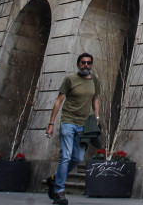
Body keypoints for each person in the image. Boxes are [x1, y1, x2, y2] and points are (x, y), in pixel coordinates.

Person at [46, 53, 100, 205]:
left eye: (89, 63)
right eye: (83, 62)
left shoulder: (94, 80)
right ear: (78, 64)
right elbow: (58, 101)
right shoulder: (70, 79)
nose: (86, 65)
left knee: (77, 158)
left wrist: (96, 117)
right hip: (68, 122)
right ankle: (59, 192)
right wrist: (51, 124)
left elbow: (96, 99)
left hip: (83, 125)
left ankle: (54, 178)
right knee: (66, 156)